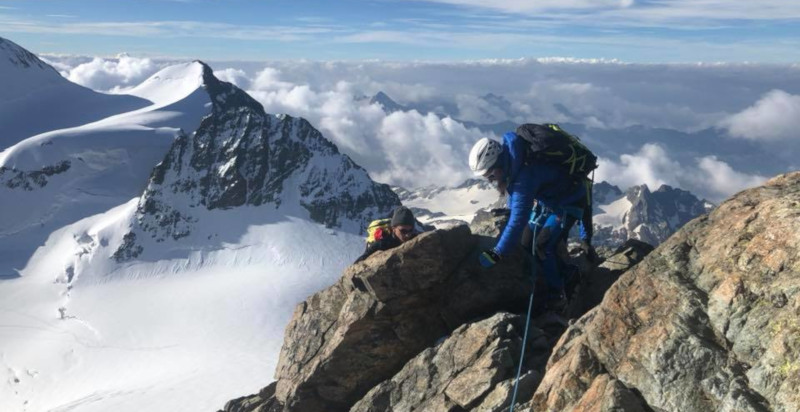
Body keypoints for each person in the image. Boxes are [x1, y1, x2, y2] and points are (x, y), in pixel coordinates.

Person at [469, 132, 594, 306]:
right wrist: (510, 210)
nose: (490, 180)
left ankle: (560, 290)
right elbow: (513, 192)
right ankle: (552, 278)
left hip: (569, 203)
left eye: (489, 175)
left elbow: (518, 219)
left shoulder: (524, 176)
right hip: (549, 202)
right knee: (526, 242)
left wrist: (497, 252)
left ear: (497, 163)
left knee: (542, 246)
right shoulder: (514, 162)